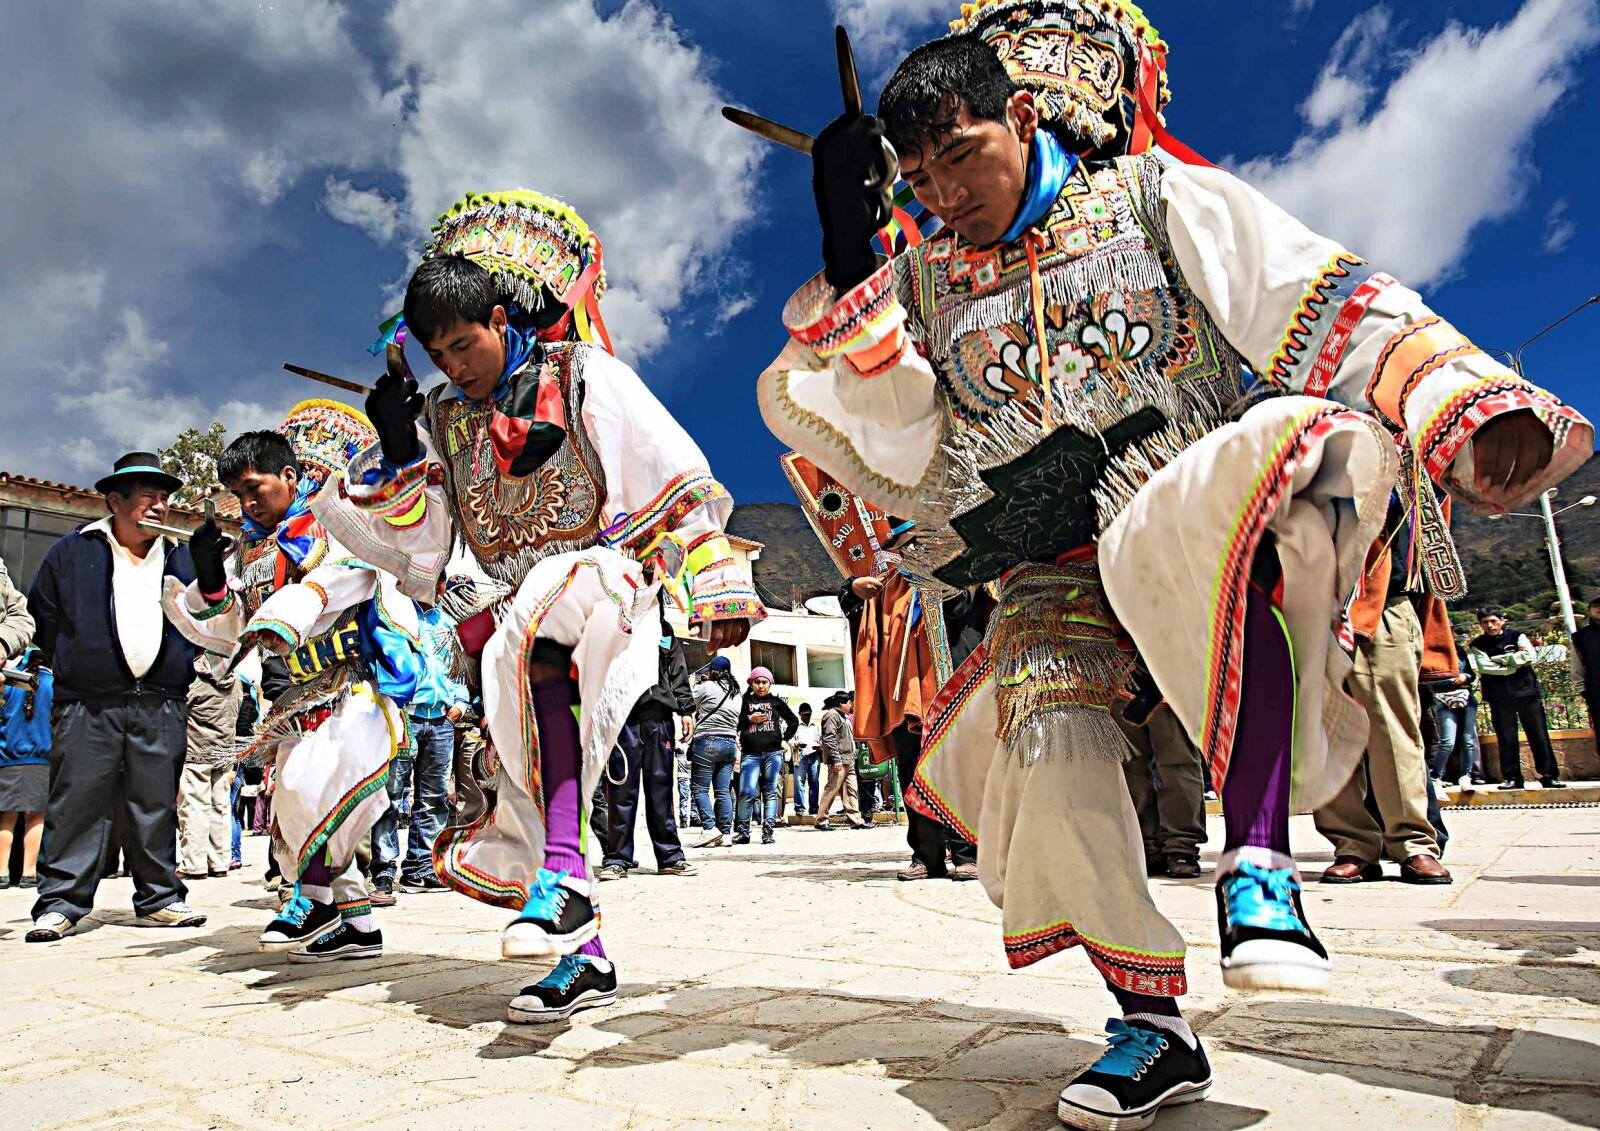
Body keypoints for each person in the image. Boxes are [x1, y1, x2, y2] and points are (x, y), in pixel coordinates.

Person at [753, 7, 1591, 1125]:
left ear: (1022, 114)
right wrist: (851, 257)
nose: (944, 193)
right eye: (918, 173)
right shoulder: (923, 279)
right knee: (1046, 749)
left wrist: (1462, 405)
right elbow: (902, 443)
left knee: (1290, 450)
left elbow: (1325, 301)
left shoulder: (1152, 197)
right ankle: (1149, 1024)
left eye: (962, 156)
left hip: (1175, 496)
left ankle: (1257, 866)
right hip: (1048, 557)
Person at [316, 190, 760, 1023]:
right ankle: (579, 944)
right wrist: (400, 448)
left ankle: (560, 876)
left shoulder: (582, 374)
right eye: (438, 354)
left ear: (498, 315)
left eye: (465, 342)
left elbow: (668, 466)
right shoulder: (446, 420)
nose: (455, 365)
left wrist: (711, 575)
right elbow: (428, 543)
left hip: (600, 584)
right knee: (529, 763)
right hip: (508, 623)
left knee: (547, 624)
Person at [166, 410, 423, 964]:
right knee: (294, 805)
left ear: (289, 475)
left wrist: (301, 601)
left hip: (358, 681)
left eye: (254, 488)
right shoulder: (252, 552)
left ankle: (313, 898)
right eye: (237, 494)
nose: (247, 503)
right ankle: (356, 925)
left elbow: (354, 573)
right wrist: (211, 579)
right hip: (300, 693)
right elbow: (237, 627)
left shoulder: (334, 521)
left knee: (315, 793)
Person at [26, 452, 208, 941]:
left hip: (161, 701)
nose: (159, 506)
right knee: (76, 801)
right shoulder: (72, 551)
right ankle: (61, 903)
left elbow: (207, 620)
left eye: (165, 497)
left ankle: (160, 899)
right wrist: (77, 660)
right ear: (114, 501)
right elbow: (44, 615)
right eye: (147, 496)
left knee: (155, 804)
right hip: (88, 703)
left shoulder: (181, 556)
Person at [1314, 523, 1454, 885]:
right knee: (1326, 735)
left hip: (1379, 603)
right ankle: (1352, 845)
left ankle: (1413, 843)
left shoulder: (1397, 465)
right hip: (1307, 606)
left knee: (1393, 732)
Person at [373, 598, 471, 902]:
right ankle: (384, 870)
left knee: (434, 798)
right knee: (390, 796)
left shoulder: (448, 622)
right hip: (404, 716)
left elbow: (459, 667)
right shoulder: (395, 614)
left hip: (441, 719)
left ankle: (421, 867)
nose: (435, 587)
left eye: (440, 581)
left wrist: (460, 701)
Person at [601, 606, 696, 878]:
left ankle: (669, 857)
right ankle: (617, 859)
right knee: (620, 791)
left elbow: (677, 669)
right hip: (623, 721)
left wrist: (686, 710)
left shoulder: (663, 630)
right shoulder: (613, 627)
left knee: (661, 791)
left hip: (660, 720)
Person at [1470, 608, 1566, 789]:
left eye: (1493, 621)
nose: (1490, 625)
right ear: (1480, 624)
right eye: (1485, 622)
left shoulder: (1517, 636)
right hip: (1499, 696)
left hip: (1526, 692)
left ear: (1502, 620)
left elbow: (1530, 656)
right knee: (1506, 738)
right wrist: (1514, 661)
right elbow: (1485, 667)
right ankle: (1512, 778)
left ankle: (1548, 775)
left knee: (1538, 735)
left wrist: (1500, 660)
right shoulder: (1478, 644)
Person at [1112, 700, 1206, 879]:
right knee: (1131, 765)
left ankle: (1181, 847)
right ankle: (1147, 846)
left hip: (1167, 684)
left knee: (1177, 760)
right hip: (1120, 682)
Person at [177, 657, 242, 880]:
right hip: (224, 752)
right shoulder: (236, 682)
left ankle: (194, 865)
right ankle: (220, 862)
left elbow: (180, 710)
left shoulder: (193, 680)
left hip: (196, 751)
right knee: (221, 807)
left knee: (195, 808)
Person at [0, 645, 49, 889]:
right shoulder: (51, 682)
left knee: (6, 817)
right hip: (41, 757)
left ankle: (2, 872)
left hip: (8, 755)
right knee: (35, 816)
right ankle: (29, 873)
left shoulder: (9, 681)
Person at [734, 667, 798, 845]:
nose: (761, 686)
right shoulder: (744, 701)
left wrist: (785, 739)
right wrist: (749, 719)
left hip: (773, 753)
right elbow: (735, 723)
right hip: (750, 754)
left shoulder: (776, 702)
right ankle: (743, 832)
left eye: (764, 682)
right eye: (757, 682)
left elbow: (794, 720)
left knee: (770, 792)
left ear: (770, 683)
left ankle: (768, 832)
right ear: (751, 683)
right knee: (746, 792)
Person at [689, 657, 743, 847]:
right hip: (729, 744)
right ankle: (726, 833)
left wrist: (701, 682)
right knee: (722, 791)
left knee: (700, 788)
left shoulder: (707, 687)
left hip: (707, 741)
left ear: (712, 671)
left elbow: (688, 700)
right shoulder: (737, 692)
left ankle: (709, 828)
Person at [1424, 645, 1482, 788]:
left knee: (1468, 740)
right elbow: (1426, 679)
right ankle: (1436, 776)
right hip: (1442, 698)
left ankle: (1466, 776)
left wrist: (1465, 676)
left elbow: (1471, 674)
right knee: (1447, 741)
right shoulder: (1430, 651)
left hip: (1465, 696)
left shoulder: (1460, 651)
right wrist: (1450, 681)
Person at [814, 692, 866, 830]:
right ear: (840, 703)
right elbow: (829, 739)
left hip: (849, 760)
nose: (850, 705)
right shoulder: (831, 715)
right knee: (832, 789)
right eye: (848, 702)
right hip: (839, 761)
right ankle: (821, 820)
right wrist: (836, 759)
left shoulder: (843, 717)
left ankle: (856, 820)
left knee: (851, 790)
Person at [1570, 598, 1600, 756]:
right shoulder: (1581, 637)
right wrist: (1582, 688)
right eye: (1595, 606)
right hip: (1596, 690)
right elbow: (1577, 665)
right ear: (1589, 610)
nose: (1599, 609)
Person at [789, 703, 821, 818]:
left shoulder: (815, 726)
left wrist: (819, 746)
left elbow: (821, 739)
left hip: (814, 755)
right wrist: (797, 744)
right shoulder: (795, 726)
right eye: (804, 715)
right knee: (799, 782)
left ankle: (814, 807)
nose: (807, 717)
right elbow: (790, 740)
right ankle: (799, 808)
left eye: (808, 714)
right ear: (800, 715)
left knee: (814, 782)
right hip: (801, 755)